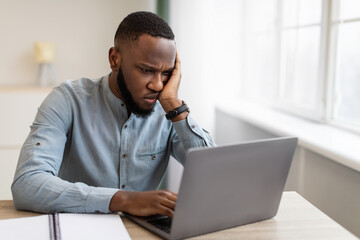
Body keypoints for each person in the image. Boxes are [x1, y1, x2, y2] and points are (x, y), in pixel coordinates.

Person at [11, 11, 214, 218]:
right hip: (79, 228)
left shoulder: (169, 110)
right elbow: (27, 184)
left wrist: (175, 107)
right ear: (115, 59)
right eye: (146, 70)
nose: (158, 85)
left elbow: (215, 174)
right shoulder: (67, 100)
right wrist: (123, 200)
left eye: (166, 73)